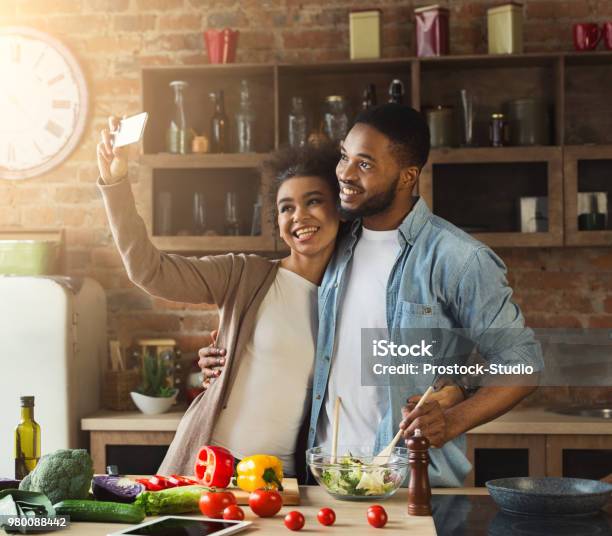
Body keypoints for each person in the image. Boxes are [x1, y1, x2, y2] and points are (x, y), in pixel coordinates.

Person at [202, 104, 542, 487]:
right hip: (326, 479)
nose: (345, 174)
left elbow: (522, 365)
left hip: (410, 485)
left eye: (364, 164)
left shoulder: (459, 259)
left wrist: (451, 418)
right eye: (345, 156)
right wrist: (230, 348)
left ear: (407, 176)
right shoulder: (335, 243)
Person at [96, 116, 342, 477]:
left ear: (339, 208)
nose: (299, 216)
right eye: (286, 207)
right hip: (208, 468)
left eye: (314, 201)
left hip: (282, 480)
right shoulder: (243, 274)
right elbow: (151, 271)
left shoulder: (350, 295)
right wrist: (117, 181)